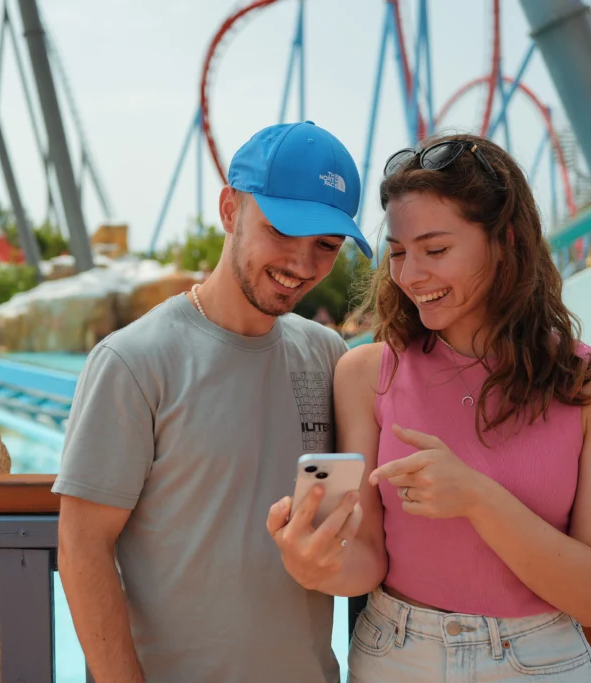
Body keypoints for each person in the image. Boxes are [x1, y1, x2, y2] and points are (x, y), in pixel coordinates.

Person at [267, 133, 591, 682]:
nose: (411, 275)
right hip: (395, 653)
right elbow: (368, 555)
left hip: (541, 661)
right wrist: (313, 561)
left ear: (506, 241)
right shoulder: (365, 373)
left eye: (436, 249)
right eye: (398, 253)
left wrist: (474, 496)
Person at [52, 120, 375, 683]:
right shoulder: (133, 361)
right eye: (281, 230)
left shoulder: (326, 353)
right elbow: (82, 547)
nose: (303, 264)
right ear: (230, 210)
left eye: (326, 244)